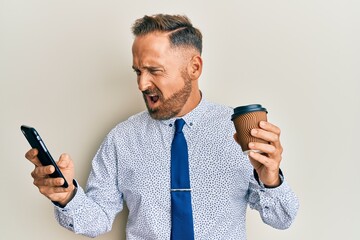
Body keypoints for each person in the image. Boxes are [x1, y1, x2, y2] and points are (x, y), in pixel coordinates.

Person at [25, 14, 299, 239]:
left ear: (194, 67)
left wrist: (271, 178)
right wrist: (67, 196)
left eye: (154, 70)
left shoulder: (238, 132)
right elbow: (97, 221)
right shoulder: (122, 139)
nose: (142, 84)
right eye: (138, 71)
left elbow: (282, 218)